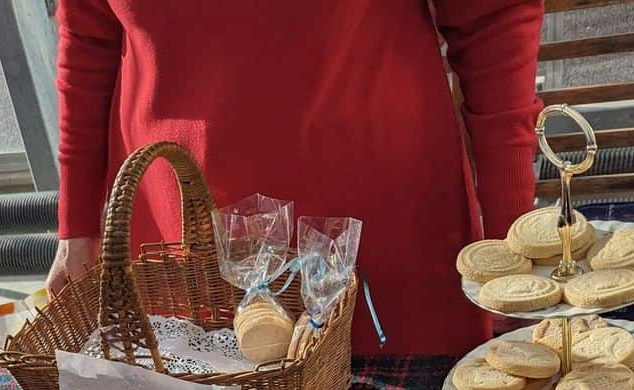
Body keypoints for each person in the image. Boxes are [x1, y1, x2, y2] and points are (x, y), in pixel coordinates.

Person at [46, 1, 543, 355]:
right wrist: (79, 225)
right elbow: (89, 35)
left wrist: (513, 231)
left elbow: (493, 17)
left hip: (386, 259)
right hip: (179, 260)